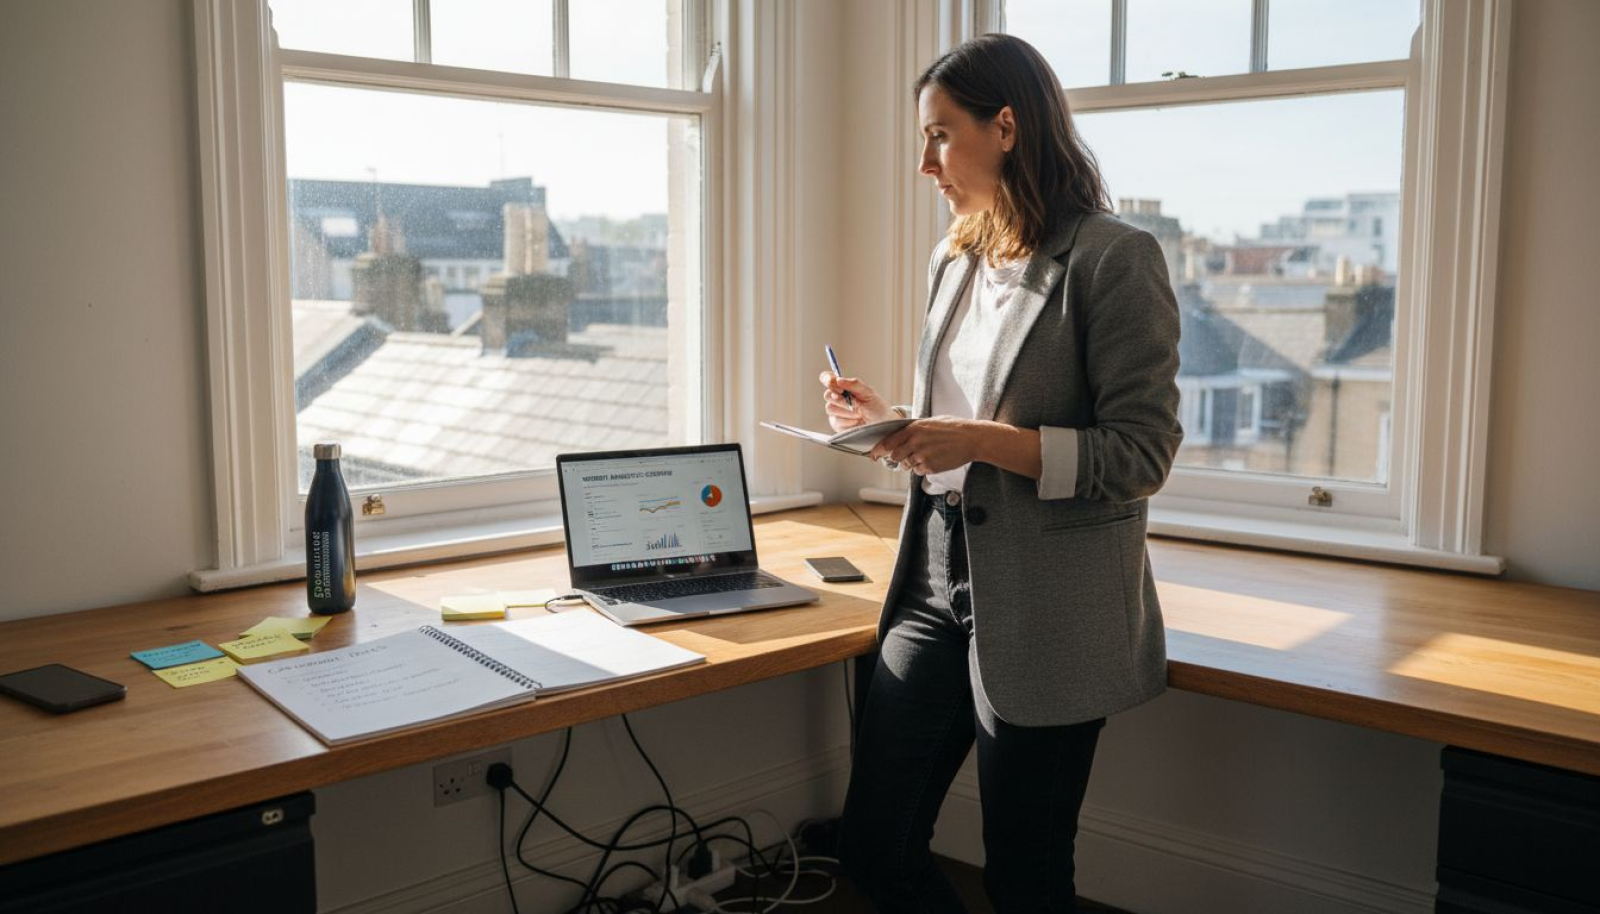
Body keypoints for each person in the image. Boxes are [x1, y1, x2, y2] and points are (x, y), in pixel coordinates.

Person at [822, 34, 1183, 913]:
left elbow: (1140, 455)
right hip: (931, 573)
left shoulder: (1113, 258)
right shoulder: (956, 257)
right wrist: (889, 424)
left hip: (1050, 595)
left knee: (1025, 874)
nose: (924, 164)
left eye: (940, 135)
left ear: (1008, 127)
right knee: (873, 845)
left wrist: (980, 442)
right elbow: (960, 422)